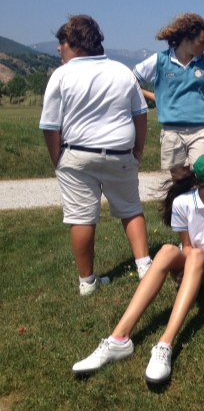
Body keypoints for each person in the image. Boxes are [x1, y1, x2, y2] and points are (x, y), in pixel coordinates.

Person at [71, 152, 204, 383]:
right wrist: (190, 265)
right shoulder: (183, 202)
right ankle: (118, 339)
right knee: (165, 250)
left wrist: (195, 262)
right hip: (195, 262)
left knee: (195, 256)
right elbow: (185, 246)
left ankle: (165, 344)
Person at [39, 15, 151, 295]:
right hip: (120, 152)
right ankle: (145, 266)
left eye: (61, 42)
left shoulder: (61, 75)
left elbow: (50, 126)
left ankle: (87, 282)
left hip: (77, 155)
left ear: (76, 44)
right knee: (130, 208)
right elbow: (140, 114)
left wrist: (58, 160)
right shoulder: (122, 71)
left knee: (81, 217)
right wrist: (137, 150)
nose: (58, 48)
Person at [133, 13, 204, 176]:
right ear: (187, 39)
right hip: (172, 130)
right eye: (202, 42)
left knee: (200, 178)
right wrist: (158, 98)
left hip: (202, 129)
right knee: (179, 185)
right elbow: (130, 82)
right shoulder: (159, 60)